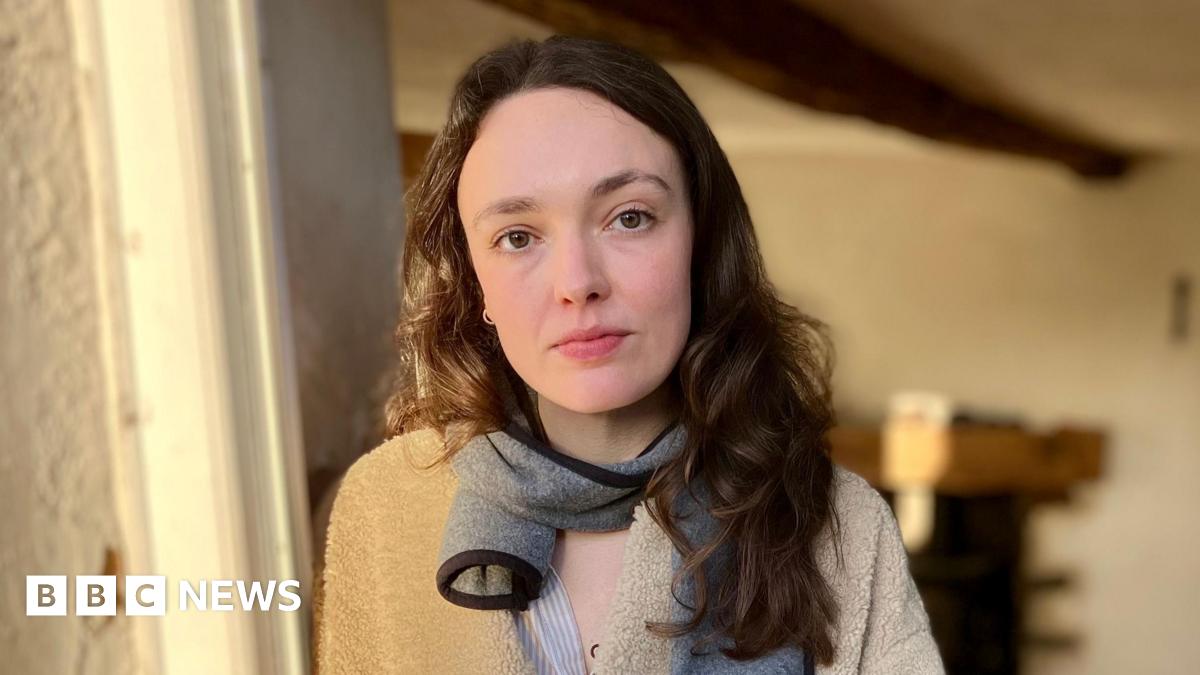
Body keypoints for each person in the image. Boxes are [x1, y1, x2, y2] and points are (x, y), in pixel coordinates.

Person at [313, 35, 944, 675]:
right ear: (476, 284)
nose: (577, 282)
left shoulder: (840, 524)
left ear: (701, 243)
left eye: (630, 218)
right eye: (518, 236)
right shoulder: (385, 507)